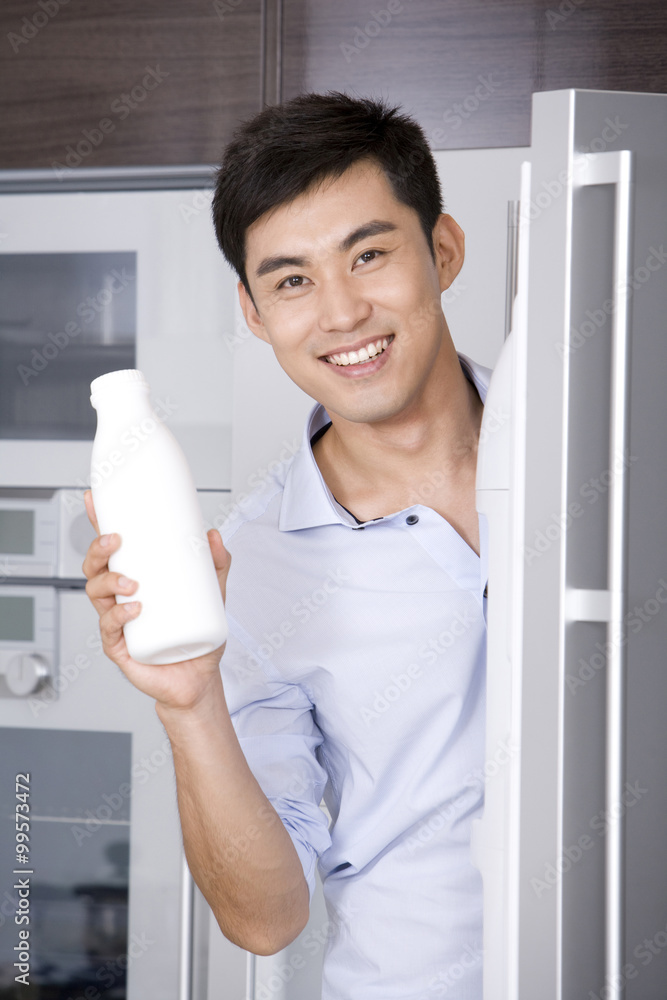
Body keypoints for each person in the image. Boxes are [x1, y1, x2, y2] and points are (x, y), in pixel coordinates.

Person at [82, 91, 491, 1000]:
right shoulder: (251, 566)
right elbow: (265, 919)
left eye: (370, 255)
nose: (341, 313)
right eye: (292, 280)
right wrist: (190, 705)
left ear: (445, 250)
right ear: (256, 311)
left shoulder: (599, 452)